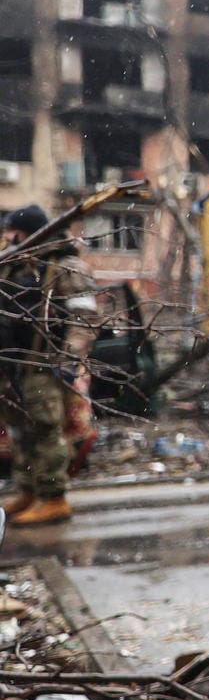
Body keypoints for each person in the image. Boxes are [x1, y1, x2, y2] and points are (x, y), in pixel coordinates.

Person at [0, 204, 97, 526]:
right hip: (11, 363)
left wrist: (69, 360)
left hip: (43, 363)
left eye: (13, 232)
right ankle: (28, 490)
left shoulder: (66, 267)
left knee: (45, 429)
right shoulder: (11, 267)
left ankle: (53, 497)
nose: (7, 238)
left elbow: (85, 317)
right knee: (17, 431)